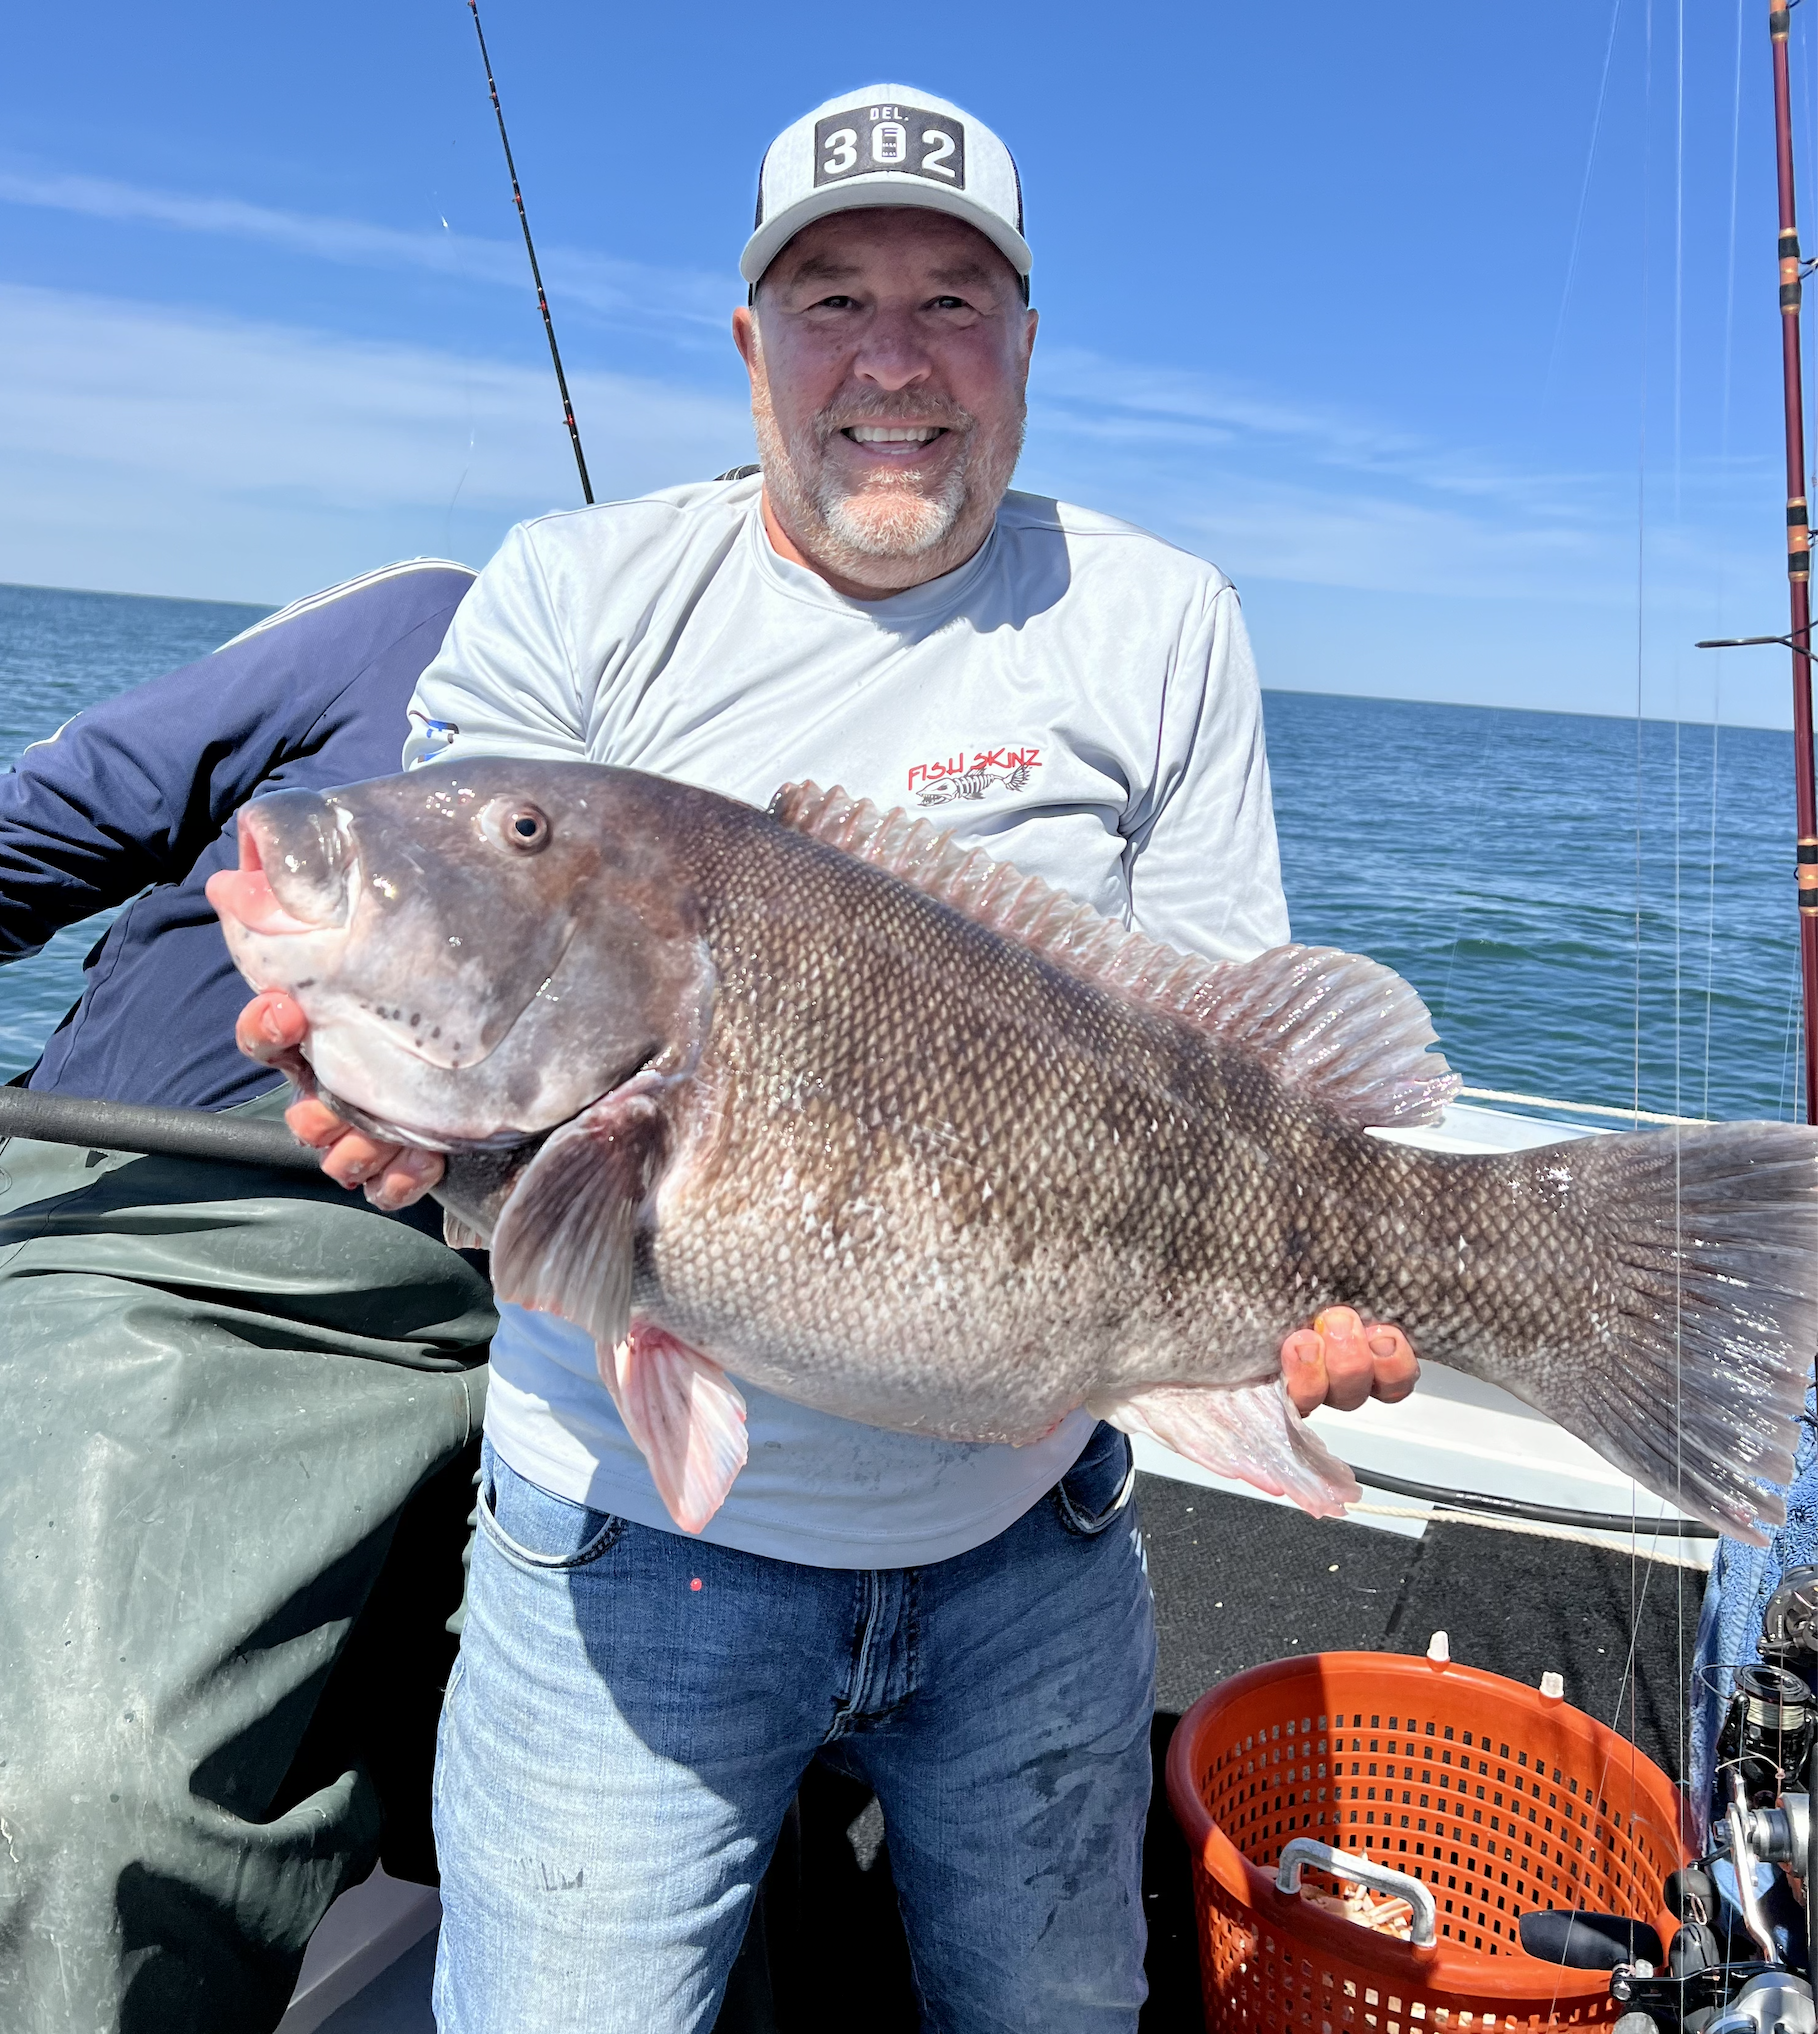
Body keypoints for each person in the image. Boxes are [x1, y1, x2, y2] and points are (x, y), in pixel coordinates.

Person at [238, 86, 1419, 2032]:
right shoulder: (572, 592)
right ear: (747, 345)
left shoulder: (1157, 618)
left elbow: (1241, 1055)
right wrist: (420, 1130)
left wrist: (1326, 1297)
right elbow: (457, 946)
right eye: (832, 297)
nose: (894, 361)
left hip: (1035, 1548)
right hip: (624, 1549)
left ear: (1028, 342)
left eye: (956, 302)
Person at [0, 561, 497, 2031]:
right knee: (91, 1786)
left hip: (538, 1302)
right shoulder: (418, 623)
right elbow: (48, 823)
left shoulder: (786, 785)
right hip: (153, 1210)